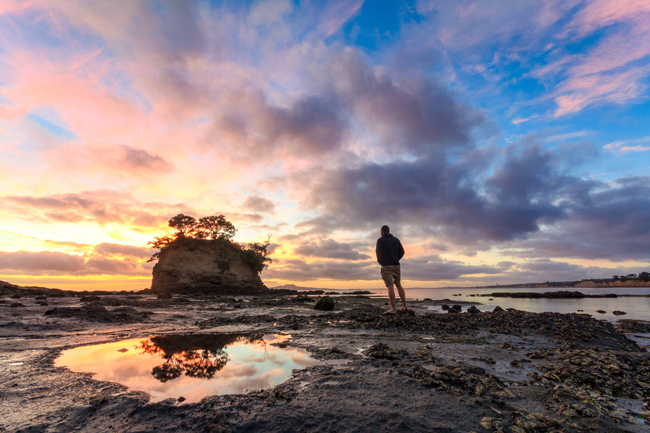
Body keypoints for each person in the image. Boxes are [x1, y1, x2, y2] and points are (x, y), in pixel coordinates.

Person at [375, 225, 406, 315]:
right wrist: (396, 258)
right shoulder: (396, 240)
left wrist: (381, 262)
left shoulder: (380, 240)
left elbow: (378, 252)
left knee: (390, 286)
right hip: (396, 265)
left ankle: (393, 309)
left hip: (386, 265)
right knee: (398, 285)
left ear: (382, 231)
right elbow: (402, 251)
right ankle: (404, 306)